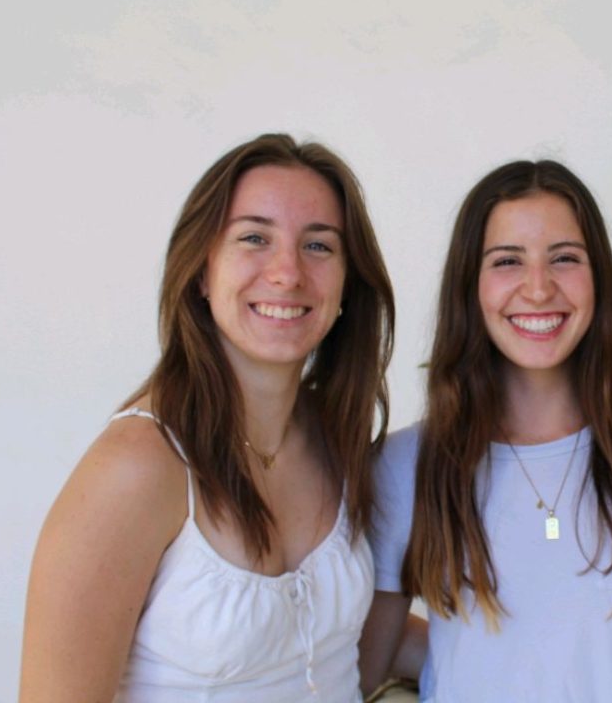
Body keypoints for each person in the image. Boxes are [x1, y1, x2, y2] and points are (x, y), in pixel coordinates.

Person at [21, 134, 400, 702]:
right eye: (254, 238)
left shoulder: (335, 437)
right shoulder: (137, 467)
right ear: (201, 271)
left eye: (319, 246)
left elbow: (337, 645)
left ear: (348, 282)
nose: (287, 273)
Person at [370, 160, 612, 702]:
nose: (537, 288)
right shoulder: (406, 464)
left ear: (599, 276)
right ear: (469, 285)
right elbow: (363, 661)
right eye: (507, 261)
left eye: (565, 259)